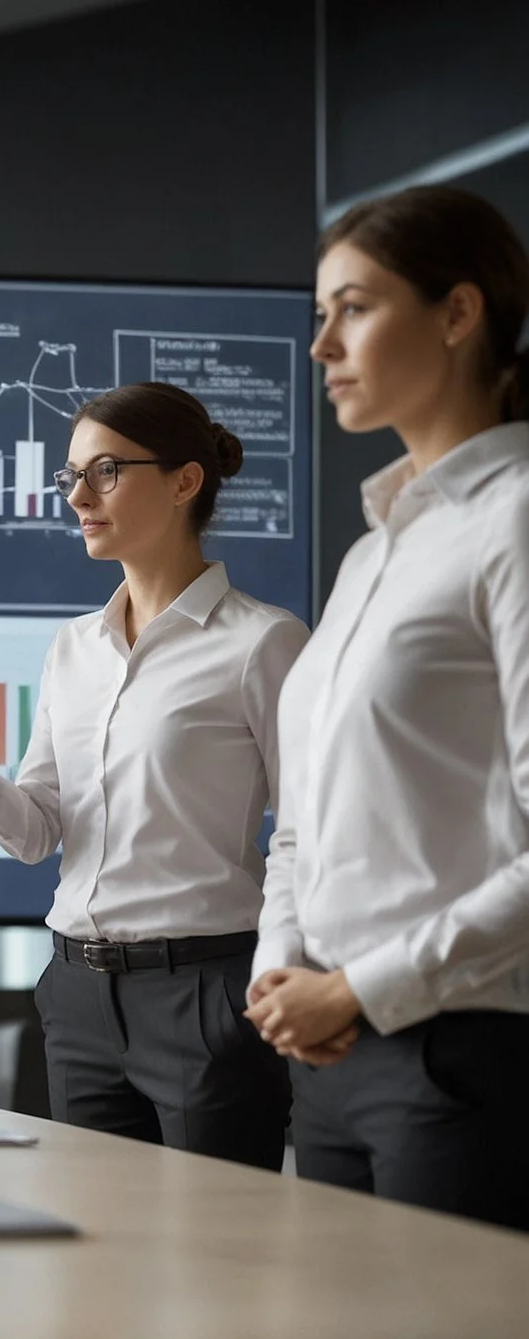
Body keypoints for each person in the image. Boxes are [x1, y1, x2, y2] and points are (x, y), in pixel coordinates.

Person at [0, 384, 306, 1167]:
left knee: (220, 1255)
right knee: (101, 1258)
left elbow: (308, 830)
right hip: (77, 997)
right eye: (70, 477)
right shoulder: (73, 648)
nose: (79, 498)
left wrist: (273, 974)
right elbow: (36, 832)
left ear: (184, 481)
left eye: (104, 472)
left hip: (206, 993)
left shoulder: (264, 643)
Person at [245, 185, 529, 1230]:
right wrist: (283, 968)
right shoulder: (372, 549)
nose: (321, 345)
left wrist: (360, 984)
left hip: (458, 1054)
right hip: (326, 1050)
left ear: (457, 313)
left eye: (352, 308)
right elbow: (305, 817)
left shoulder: (515, 519)